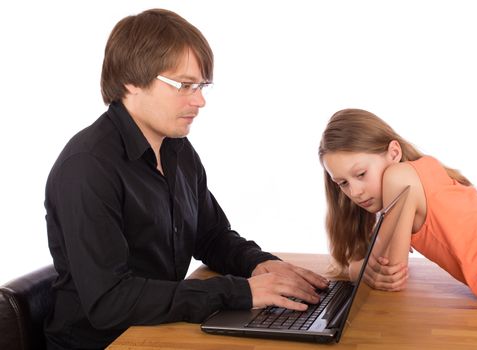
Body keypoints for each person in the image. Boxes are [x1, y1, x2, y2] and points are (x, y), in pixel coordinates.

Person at [44, 8, 328, 349]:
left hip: (156, 330)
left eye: (202, 85)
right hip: (106, 342)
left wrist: (260, 265)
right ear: (130, 81)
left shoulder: (177, 148)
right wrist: (239, 292)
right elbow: (110, 302)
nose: (200, 100)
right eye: (184, 85)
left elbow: (210, 236)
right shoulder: (87, 168)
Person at [318, 108, 477, 312]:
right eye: (343, 183)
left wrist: (355, 269)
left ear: (394, 153)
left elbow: (390, 274)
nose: (354, 192)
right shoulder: (419, 172)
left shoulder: (399, 178)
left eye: (361, 174)